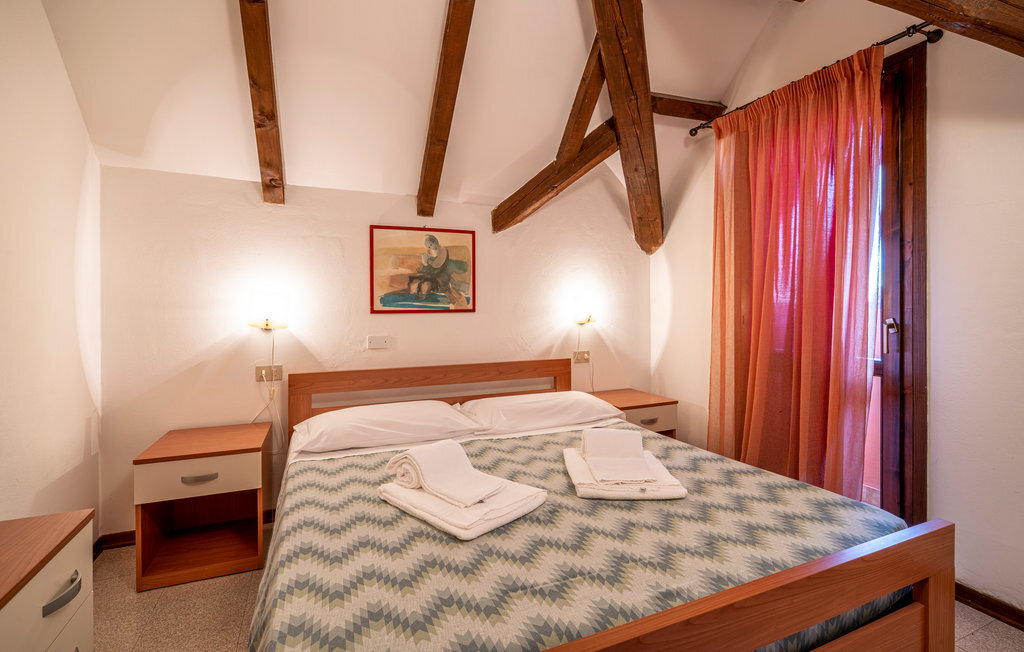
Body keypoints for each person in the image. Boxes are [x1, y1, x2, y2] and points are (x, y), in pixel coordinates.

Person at [407, 234, 469, 308]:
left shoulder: (442, 250)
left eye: (430, 245)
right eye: (428, 247)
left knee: (442, 284)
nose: (430, 248)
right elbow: (427, 263)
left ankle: (455, 301)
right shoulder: (430, 251)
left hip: (441, 271)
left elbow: (438, 264)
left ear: (435, 242)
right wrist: (426, 260)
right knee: (423, 279)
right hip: (433, 271)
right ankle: (420, 296)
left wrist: (430, 262)